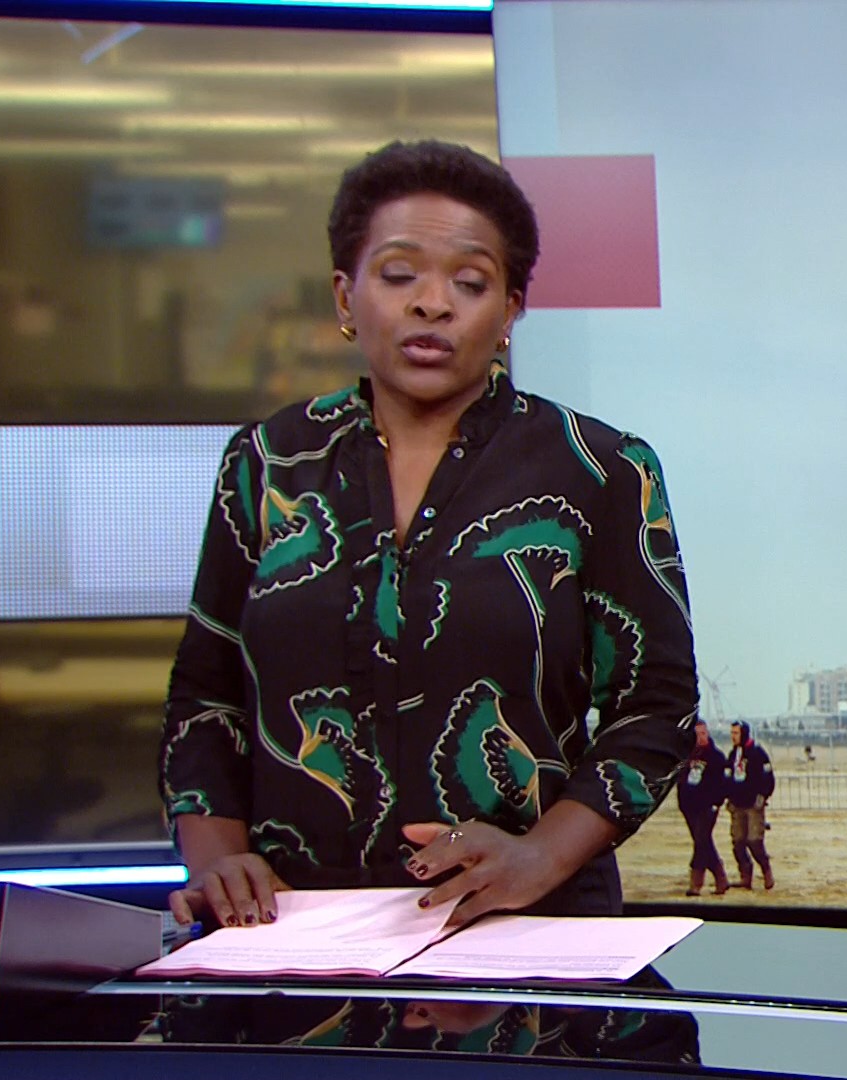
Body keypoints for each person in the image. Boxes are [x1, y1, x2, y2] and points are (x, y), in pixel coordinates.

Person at [159, 140, 699, 932]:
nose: (432, 304)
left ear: (511, 309)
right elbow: (206, 695)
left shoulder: (601, 469)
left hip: (524, 926)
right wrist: (217, 859)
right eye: (398, 275)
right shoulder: (268, 462)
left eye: (470, 283)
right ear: (346, 296)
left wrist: (542, 856)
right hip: (289, 930)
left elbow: (655, 706)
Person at [676, 719, 729, 896]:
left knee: (701, 840)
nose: (701, 737)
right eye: (697, 734)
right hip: (690, 807)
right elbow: (681, 780)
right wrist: (682, 802)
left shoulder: (716, 757)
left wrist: (717, 802)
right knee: (704, 842)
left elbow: (722, 784)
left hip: (708, 807)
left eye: (703, 733)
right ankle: (721, 876)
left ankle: (696, 883)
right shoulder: (686, 756)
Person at [726, 720, 775, 889]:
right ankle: (745, 876)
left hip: (753, 805)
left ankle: (766, 871)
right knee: (738, 843)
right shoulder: (733, 754)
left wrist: (763, 795)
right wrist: (728, 797)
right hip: (737, 805)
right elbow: (727, 777)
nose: (733, 737)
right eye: (731, 733)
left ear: (744, 734)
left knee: (754, 841)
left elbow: (768, 777)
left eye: (736, 733)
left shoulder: (758, 753)